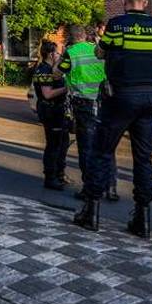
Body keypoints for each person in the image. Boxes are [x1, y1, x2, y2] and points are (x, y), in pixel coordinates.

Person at [74, 0, 152, 239]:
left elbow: (100, 52)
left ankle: (91, 211)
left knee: (102, 151)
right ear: (145, 2)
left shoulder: (117, 25)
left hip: (121, 96)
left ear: (125, 2)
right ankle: (142, 217)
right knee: (143, 157)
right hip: (149, 98)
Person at [61, 24, 108, 199]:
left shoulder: (71, 53)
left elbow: (58, 73)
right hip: (102, 101)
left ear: (70, 38)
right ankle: (106, 185)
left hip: (83, 104)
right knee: (102, 145)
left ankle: (89, 189)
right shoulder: (96, 48)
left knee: (86, 147)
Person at [31, 40, 69, 190]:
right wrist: (67, 89)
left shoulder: (51, 68)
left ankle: (59, 173)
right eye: (58, 53)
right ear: (51, 54)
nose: (60, 55)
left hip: (56, 110)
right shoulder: (44, 70)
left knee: (62, 141)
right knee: (53, 145)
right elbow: (47, 94)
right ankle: (50, 177)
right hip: (50, 111)